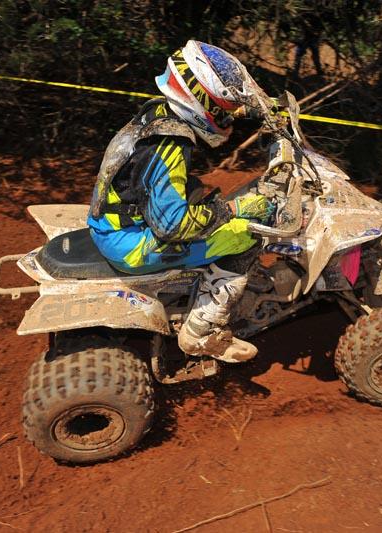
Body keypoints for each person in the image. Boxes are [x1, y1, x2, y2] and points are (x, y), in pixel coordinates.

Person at [87, 40, 274, 364]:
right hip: (130, 244)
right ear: (204, 102)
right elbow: (172, 225)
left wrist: (258, 107)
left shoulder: (157, 113)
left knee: (206, 197)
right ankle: (202, 331)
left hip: (111, 221)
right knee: (248, 234)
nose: (227, 116)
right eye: (223, 108)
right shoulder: (170, 143)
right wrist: (233, 210)